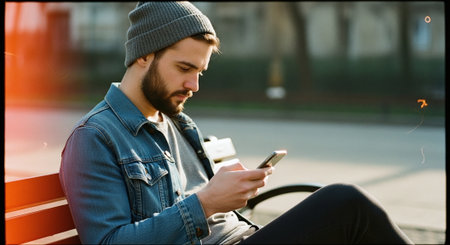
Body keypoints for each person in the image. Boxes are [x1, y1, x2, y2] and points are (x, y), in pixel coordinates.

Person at [60, 2, 414, 244]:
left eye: (200, 72)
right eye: (185, 69)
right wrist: (207, 202)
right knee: (345, 203)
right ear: (143, 55)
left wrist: (229, 191)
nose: (194, 85)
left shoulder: (178, 123)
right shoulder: (95, 137)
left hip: (244, 235)